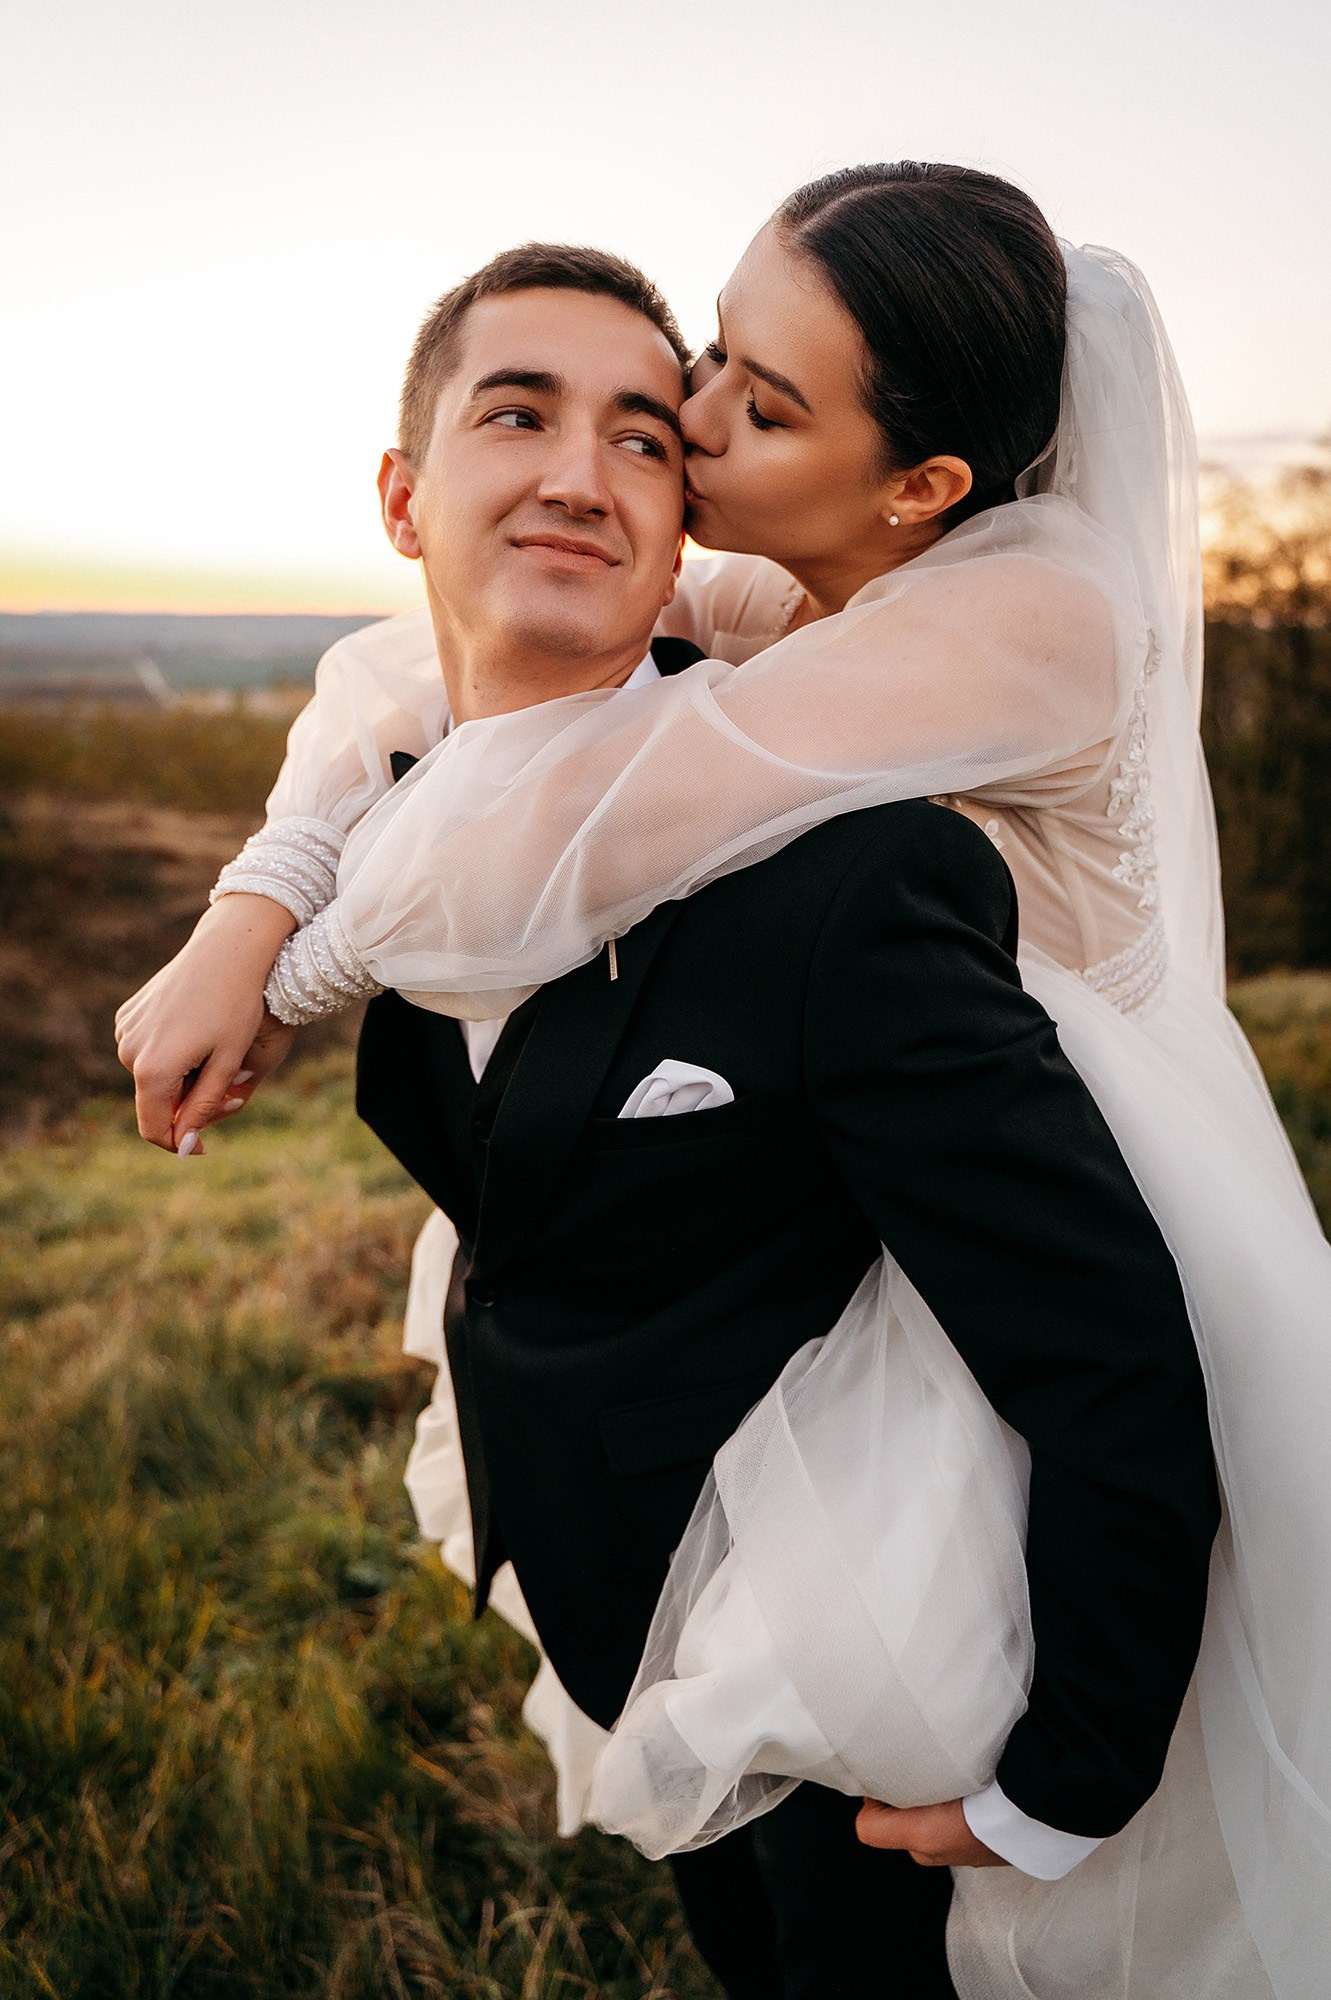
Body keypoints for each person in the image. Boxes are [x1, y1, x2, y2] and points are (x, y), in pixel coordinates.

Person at [114, 165, 1327, 1997]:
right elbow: (413, 670)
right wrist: (249, 898)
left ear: (919, 485)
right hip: (796, 1251)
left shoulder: (1022, 621)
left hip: (1062, 1183)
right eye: (711, 358)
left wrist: (285, 975)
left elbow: (574, 815)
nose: (685, 426)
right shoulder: (800, 572)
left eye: (756, 406)